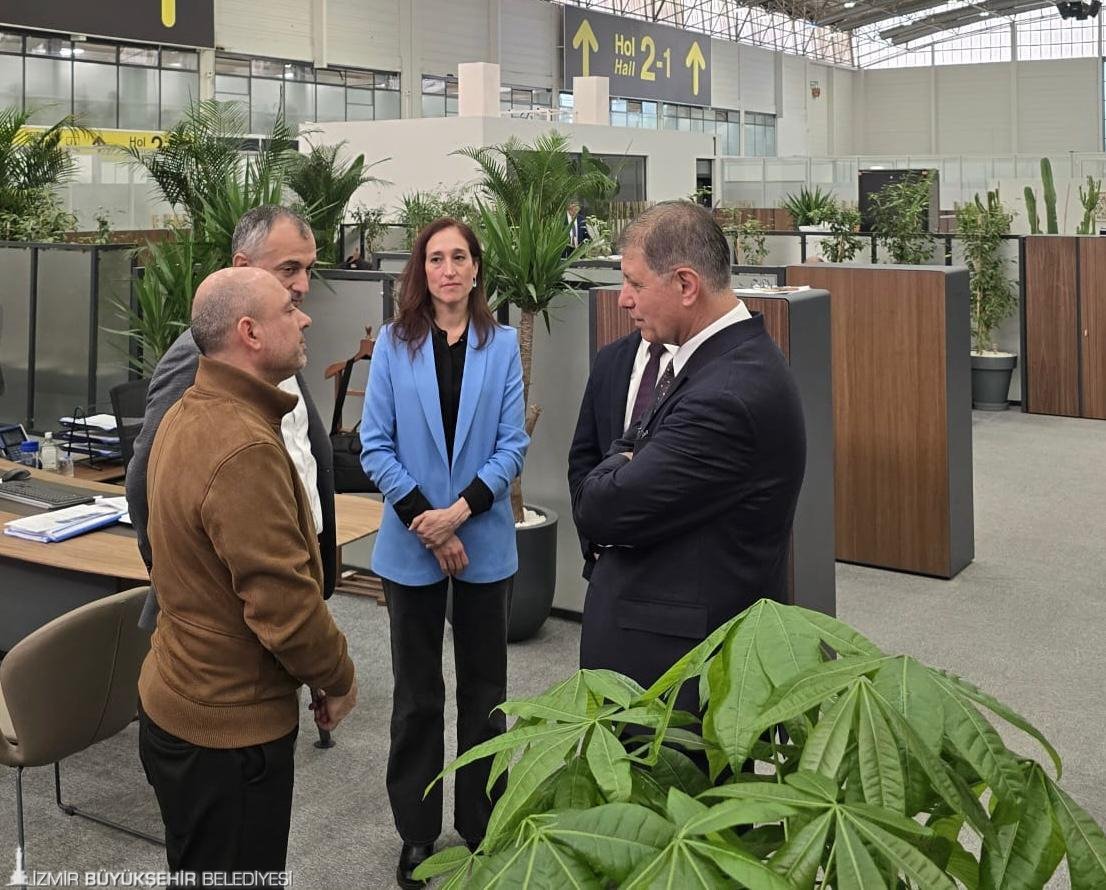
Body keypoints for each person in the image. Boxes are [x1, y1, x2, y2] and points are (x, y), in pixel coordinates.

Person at [138, 267, 358, 883]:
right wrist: (336, 676)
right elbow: (283, 607)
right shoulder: (242, 449)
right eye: (291, 306)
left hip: (181, 698)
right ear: (250, 333)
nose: (305, 314)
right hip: (226, 733)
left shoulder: (192, 412)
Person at [572, 201, 806, 709]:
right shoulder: (713, 365)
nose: (622, 300)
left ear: (685, 284)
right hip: (663, 660)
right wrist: (628, 458)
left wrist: (622, 463)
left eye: (634, 283)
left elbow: (602, 507)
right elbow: (618, 458)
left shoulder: (726, 391)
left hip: (675, 684)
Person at [359, 218, 528, 888]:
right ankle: (417, 833)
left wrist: (458, 514)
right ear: (420, 270)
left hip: (481, 537)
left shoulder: (504, 344)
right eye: (436, 258)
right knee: (417, 695)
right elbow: (374, 444)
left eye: (460, 257)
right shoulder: (395, 347)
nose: (449, 269)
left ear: (477, 270)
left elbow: (512, 445)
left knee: (485, 693)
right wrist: (425, 520)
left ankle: (481, 825)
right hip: (410, 543)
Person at [128, 205, 336, 631]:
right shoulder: (200, 355)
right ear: (242, 267)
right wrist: (180, 583)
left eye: (309, 269)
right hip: (224, 612)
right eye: (289, 269)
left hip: (285, 588)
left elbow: (303, 453)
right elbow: (145, 479)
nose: (303, 285)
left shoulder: (275, 344)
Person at [567, 329, 675, 579]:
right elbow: (583, 458)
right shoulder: (610, 358)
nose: (625, 300)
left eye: (637, 287)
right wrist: (592, 542)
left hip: (669, 570)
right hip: (606, 565)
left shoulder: (699, 366)